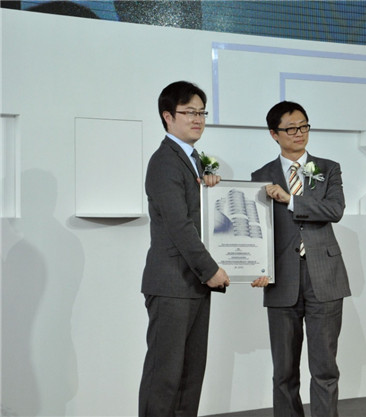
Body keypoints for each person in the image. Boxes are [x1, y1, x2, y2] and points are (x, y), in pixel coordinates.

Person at [251, 101, 351, 417]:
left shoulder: (328, 168)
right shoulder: (260, 176)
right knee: (283, 372)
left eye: (304, 126)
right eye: (291, 128)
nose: (299, 133)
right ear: (274, 134)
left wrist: (291, 199)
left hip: (325, 277)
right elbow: (256, 230)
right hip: (281, 279)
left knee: (324, 368)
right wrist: (256, 266)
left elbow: (335, 209)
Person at [139, 81, 230, 417]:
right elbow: (179, 225)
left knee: (190, 376)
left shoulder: (193, 161)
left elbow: (197, 213)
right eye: (189, 112)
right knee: (164, 377)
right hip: (172, 284)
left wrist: (209, 188)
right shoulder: (165, 161)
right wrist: (211, 270)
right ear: (168, 116)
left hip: (192, 283)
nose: (198, 119)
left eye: (202, 112)